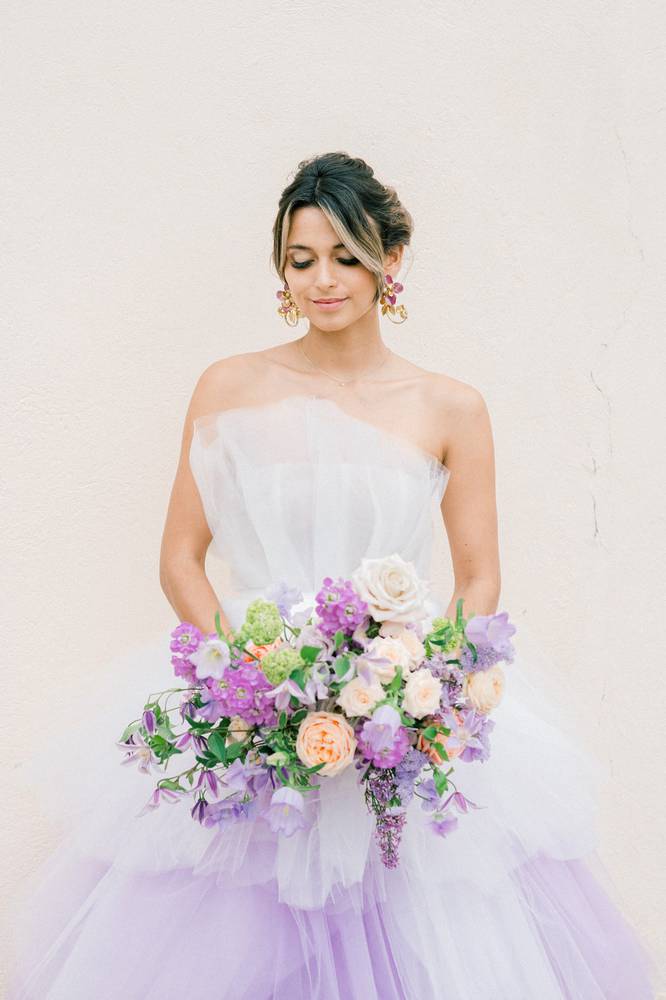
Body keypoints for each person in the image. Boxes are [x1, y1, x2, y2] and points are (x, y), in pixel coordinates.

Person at [7, 152, 659, 998]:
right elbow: (179, 557)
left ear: (391, 261)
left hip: (397, 707)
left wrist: (418, 686)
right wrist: (245, 679)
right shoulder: (228, 386)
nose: (324, 280)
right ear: (282, 269)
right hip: (250, 705)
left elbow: (479, 577)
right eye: (302, 259)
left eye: (347, 256)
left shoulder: (448, 406)